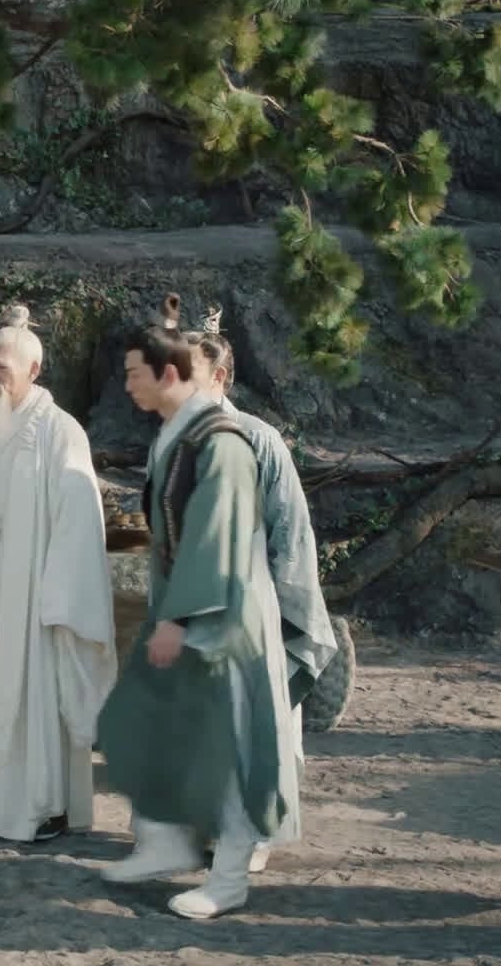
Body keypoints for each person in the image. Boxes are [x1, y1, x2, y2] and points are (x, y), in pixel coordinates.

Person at [95, 301, 295, 921]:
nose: (129, 385)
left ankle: (227, 879)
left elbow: (217, 539)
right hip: (190, 610)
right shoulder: (178, 437)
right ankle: (164, 842)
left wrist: (179, 620)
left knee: (228, 748)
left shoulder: (224, 443)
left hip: (224, 618)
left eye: (136, 373)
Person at [0, 304, 116, 843]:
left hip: (32, 582)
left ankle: (40, 804)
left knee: (31, 690)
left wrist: (57, 595)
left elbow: (79, 521)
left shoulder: (60, 431)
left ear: (34, 370)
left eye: (2, 368)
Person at [184, 298, 338, 873]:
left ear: (220, 378)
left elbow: (290, 535)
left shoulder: (260, 440)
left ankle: (252, 831)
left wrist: (283, 614)